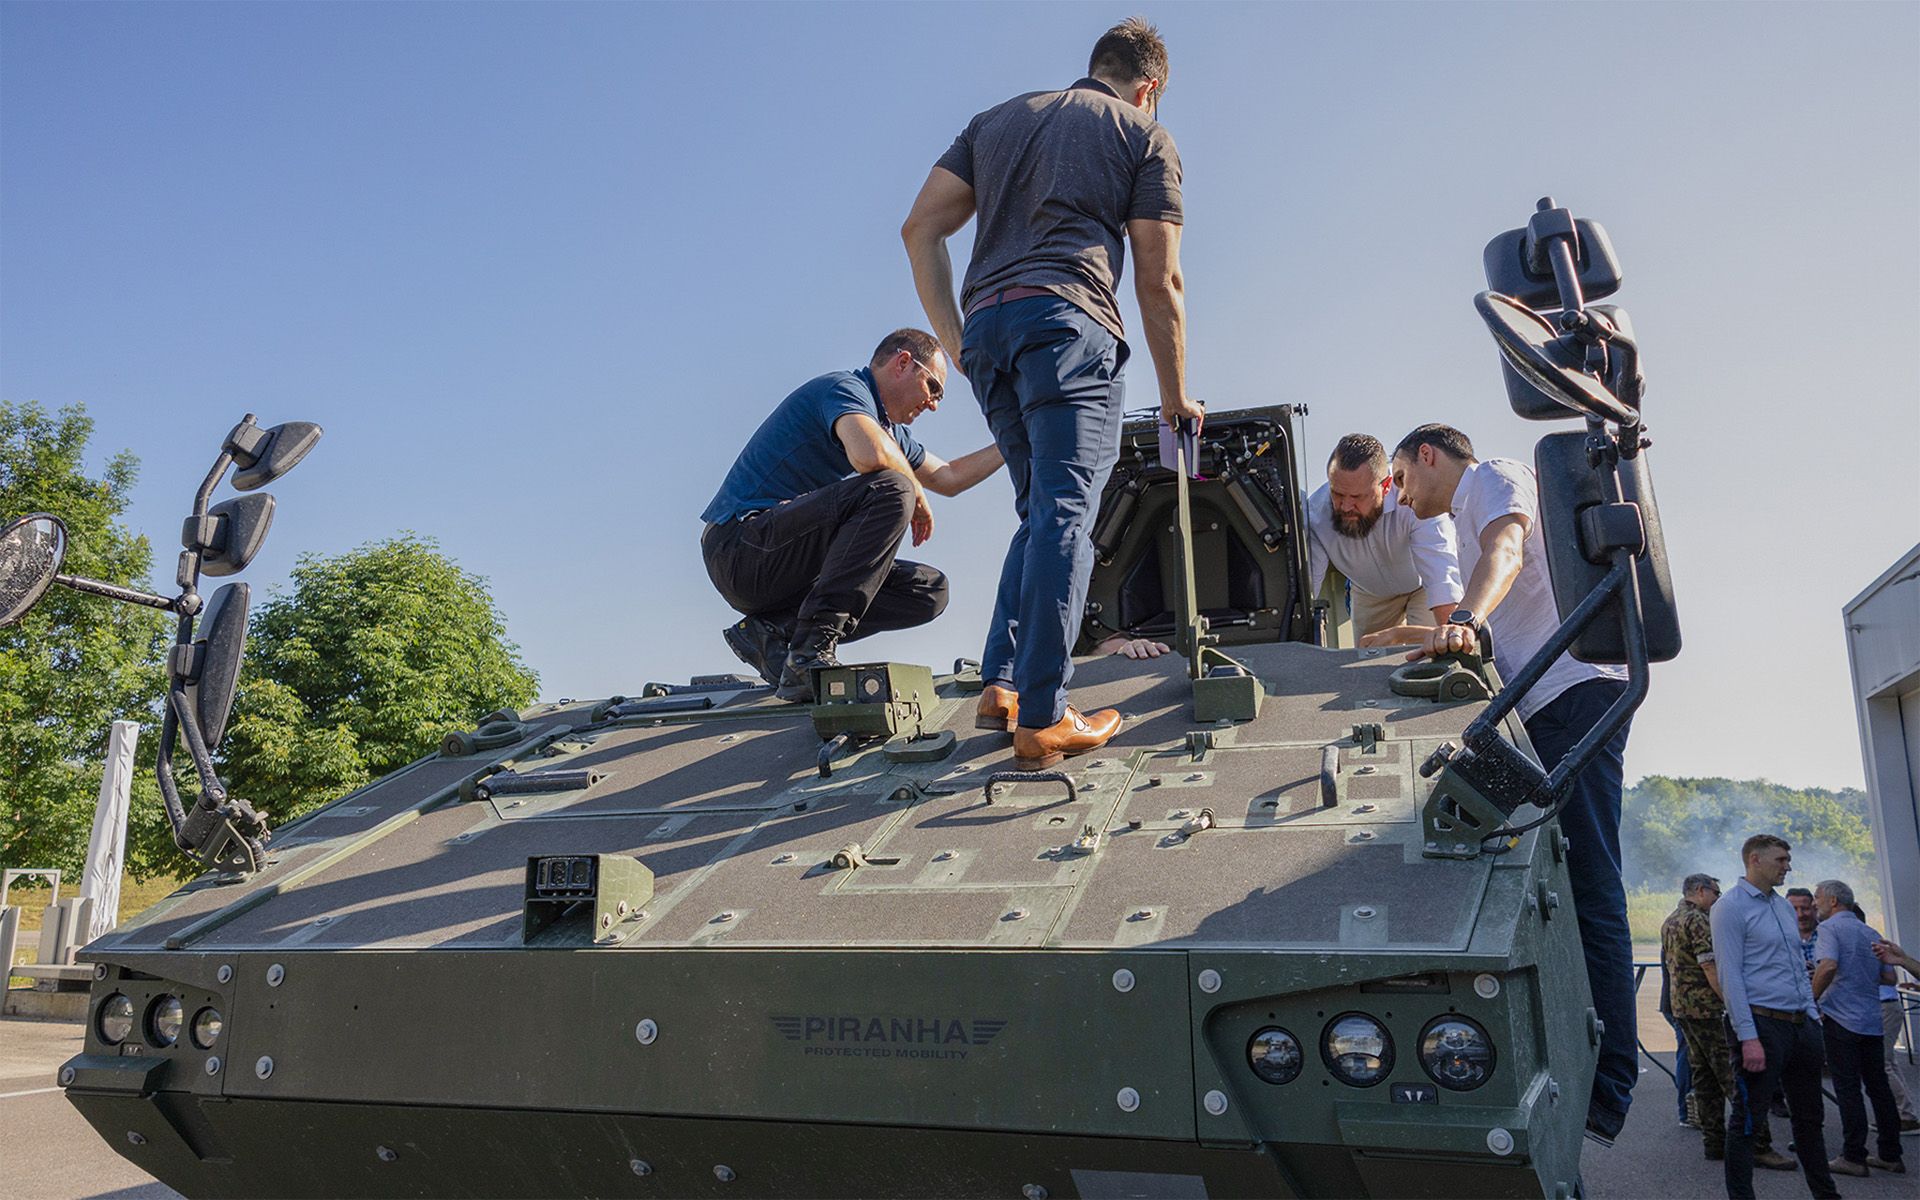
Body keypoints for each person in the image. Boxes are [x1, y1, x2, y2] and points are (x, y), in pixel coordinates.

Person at [901, 17, 1203, 769]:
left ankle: (1001, 684)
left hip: (992, 333)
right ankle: (1043, 716)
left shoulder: (996, 120)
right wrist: (1177, 396)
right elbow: (1158, 279)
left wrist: (956, 335)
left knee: (1039, 513)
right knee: (1067, 512)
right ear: (1150, 87)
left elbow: (919, 229)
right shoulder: (1143, 134)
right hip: (1069, 325)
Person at [1389, 423, 1636, 1144]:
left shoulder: (1491, 478)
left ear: (1427, 455)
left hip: (1573, 695)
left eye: (1402, 479)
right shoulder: (1458, 520)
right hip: (1532, 712)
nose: (1402, 500)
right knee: (1470, 853)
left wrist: (1466, 616)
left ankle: (1610, 1085)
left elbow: (1507, 548)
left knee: (1590, 883)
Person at [701, 329, 1003, 702]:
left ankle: (775, 633)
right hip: (741, 549)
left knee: (928, 590)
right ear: (903, 363)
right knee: (893, 488)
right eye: (933, 388)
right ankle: (808, 652)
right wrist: (915, 492)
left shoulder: (890, 432)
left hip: (786, 564)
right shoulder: (844, 388)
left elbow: (950, 477)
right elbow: (868, 455)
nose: (934, 404)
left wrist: (1015, 439)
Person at [1711, 834, 1837, 1200]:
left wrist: (1812, 1015)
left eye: (1787, 860)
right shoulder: (1730, 907)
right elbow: (1730, 975)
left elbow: (1798, 967)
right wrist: (1748, 1036)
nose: (1788, 866)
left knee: (1810, 1120)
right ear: (1755, 860)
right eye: (1781, 860)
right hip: (1762, 1026)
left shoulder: (1782, 907)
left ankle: (1826, 1194)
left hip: (1800, 1023)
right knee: (1748, 1122)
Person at [1302, 433, 1463, 646]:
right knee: (1366, 661)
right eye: (1338, 494)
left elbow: (1441, 574)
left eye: (1358, 497)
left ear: (1386, 486)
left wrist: (1451, 640)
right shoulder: (1316, 514)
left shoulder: (1415, 496)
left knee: (1433, 654)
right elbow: (1307, 587)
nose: (1346, 506)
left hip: (1422, 588)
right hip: (1369, 594)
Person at [1812, 880, 1906, 1176]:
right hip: (1871, 1020)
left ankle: (1853, 1156)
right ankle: (1891, 1154)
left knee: (1848, 1087)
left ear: (1833, 901)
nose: (1815, 905)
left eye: (1817, 899)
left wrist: (1810, 999)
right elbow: (1889, 978)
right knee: (1878, 1086)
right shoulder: (1870, 932)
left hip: (1841, 1019)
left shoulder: (1829, 929)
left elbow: (1827, 966)